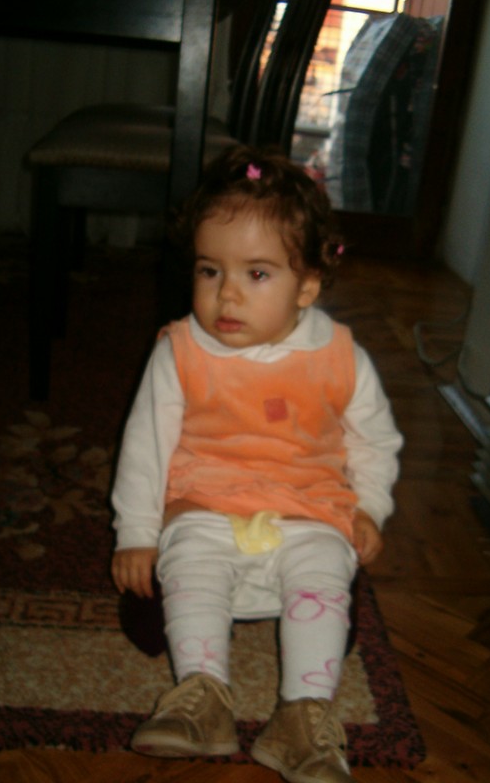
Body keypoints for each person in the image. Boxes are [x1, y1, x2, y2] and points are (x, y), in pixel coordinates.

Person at [110, 145, 402, 783]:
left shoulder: (340, 356)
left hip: (310, 506)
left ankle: (304, 713)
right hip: (205, 502)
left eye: (258, 274)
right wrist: (137, 532)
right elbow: (144, 448)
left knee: (325, 571)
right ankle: (202, 694)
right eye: (209, 270)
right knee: (190, 561)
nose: (227, 294)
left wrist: (369, 508)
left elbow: (374, 441)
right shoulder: (180, 352)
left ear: (308, 286)